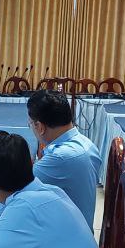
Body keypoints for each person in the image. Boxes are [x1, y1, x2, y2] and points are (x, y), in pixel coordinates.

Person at [27, 89, 102, 225]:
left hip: (64, 234)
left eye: (30, 124)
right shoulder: (87, 144)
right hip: (80, 226)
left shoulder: (60, 158)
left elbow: (17, 188)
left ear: (40, 127)